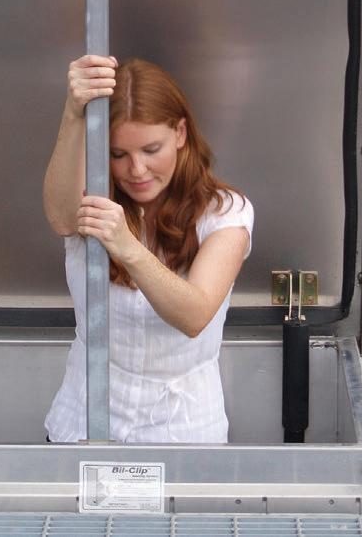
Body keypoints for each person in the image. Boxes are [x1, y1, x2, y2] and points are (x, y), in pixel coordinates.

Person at [42, 54, 254, 443]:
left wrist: (129, 248)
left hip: (184, 433)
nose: (137, 170)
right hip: (83, 424)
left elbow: (194, 315)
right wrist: (73, 112)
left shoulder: (225, 212)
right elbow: (61, 218)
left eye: (151, 149)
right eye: (118, 154)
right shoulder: (94, 199)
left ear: (181, 133)